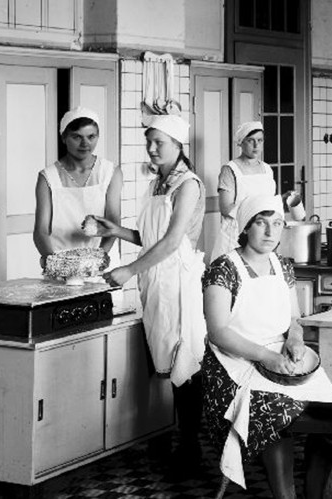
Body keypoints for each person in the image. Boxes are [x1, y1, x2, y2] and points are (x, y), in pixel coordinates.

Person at [201, 195, 332, 498]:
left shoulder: (283, 266)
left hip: (280, 356)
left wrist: (294, 339)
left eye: (276, 224)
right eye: (261, 223)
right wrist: (265, 356)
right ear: (246, 227)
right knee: (278, 413)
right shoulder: (224, 268)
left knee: (330, 411)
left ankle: (315, 494)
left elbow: (294, 318)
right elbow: (218, 332)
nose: (269, 232)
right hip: (233, 364)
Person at [94, 114, 208, 472]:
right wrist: (116, 230)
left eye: (159, 142)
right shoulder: (157, 184)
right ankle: (176, 441)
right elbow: (151, 237)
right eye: (149, 142)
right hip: (156, 280)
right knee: (167, 358)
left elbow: (173, 242)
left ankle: (191, 448)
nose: (152, 148)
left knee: (184, 362)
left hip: (177, 283)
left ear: (178, 145)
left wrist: (129, 270)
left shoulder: (187, 184)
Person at [34, 107, 122, 263]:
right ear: (64, 137)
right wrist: (54, 263)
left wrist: (99, 259)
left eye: (91, 136)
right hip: (61, 259)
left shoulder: (110, 172)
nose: (85, 143)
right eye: (76, 137)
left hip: (103, 259)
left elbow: (113, 222)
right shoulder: (48, 177)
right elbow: (41, 231)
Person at [209, 121, 277, 264]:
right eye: (250, 141)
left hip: (262, 233)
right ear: (241, 143)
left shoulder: (267, 169)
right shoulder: (230, 170)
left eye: (259, 140)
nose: (256, 145)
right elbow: (226, 208)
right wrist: (256, 212)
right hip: (236, 235)